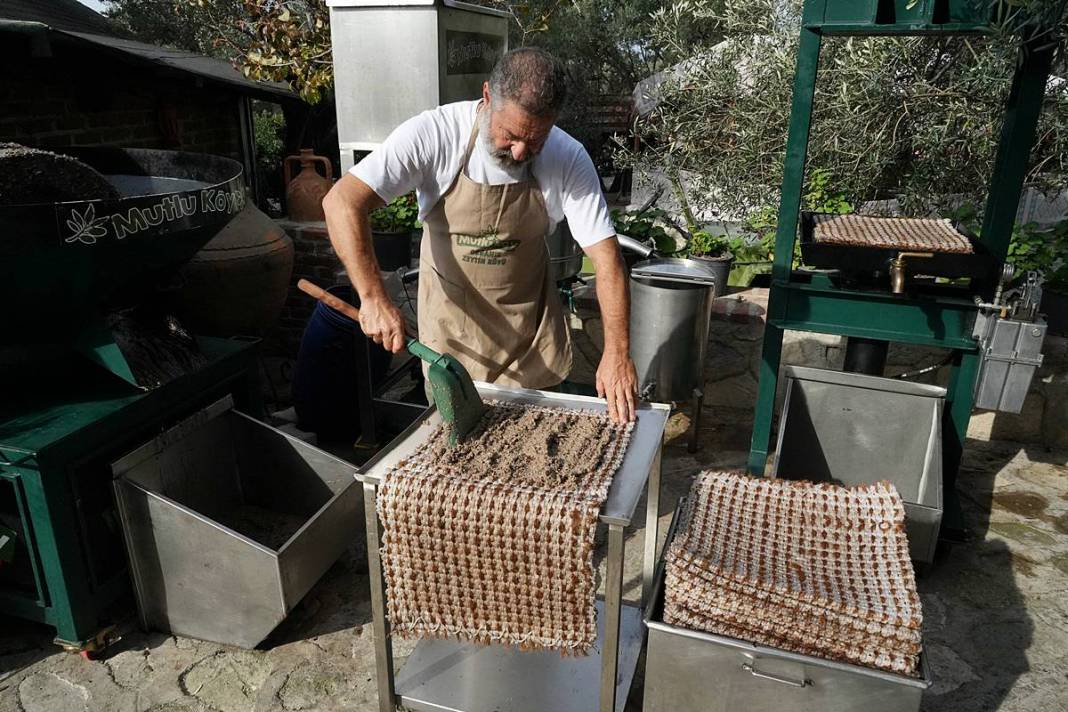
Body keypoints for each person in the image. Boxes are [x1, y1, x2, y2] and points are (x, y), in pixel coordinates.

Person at [322, 47, 637, 422]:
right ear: (487, 96)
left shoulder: (568, 157)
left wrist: (617, 353)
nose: (521, 152)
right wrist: (372, 297)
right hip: (451, 341)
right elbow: (341, 202)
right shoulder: (435, 135)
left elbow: (607, 260)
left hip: (530, 343)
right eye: (511, 135)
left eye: (536, 141)